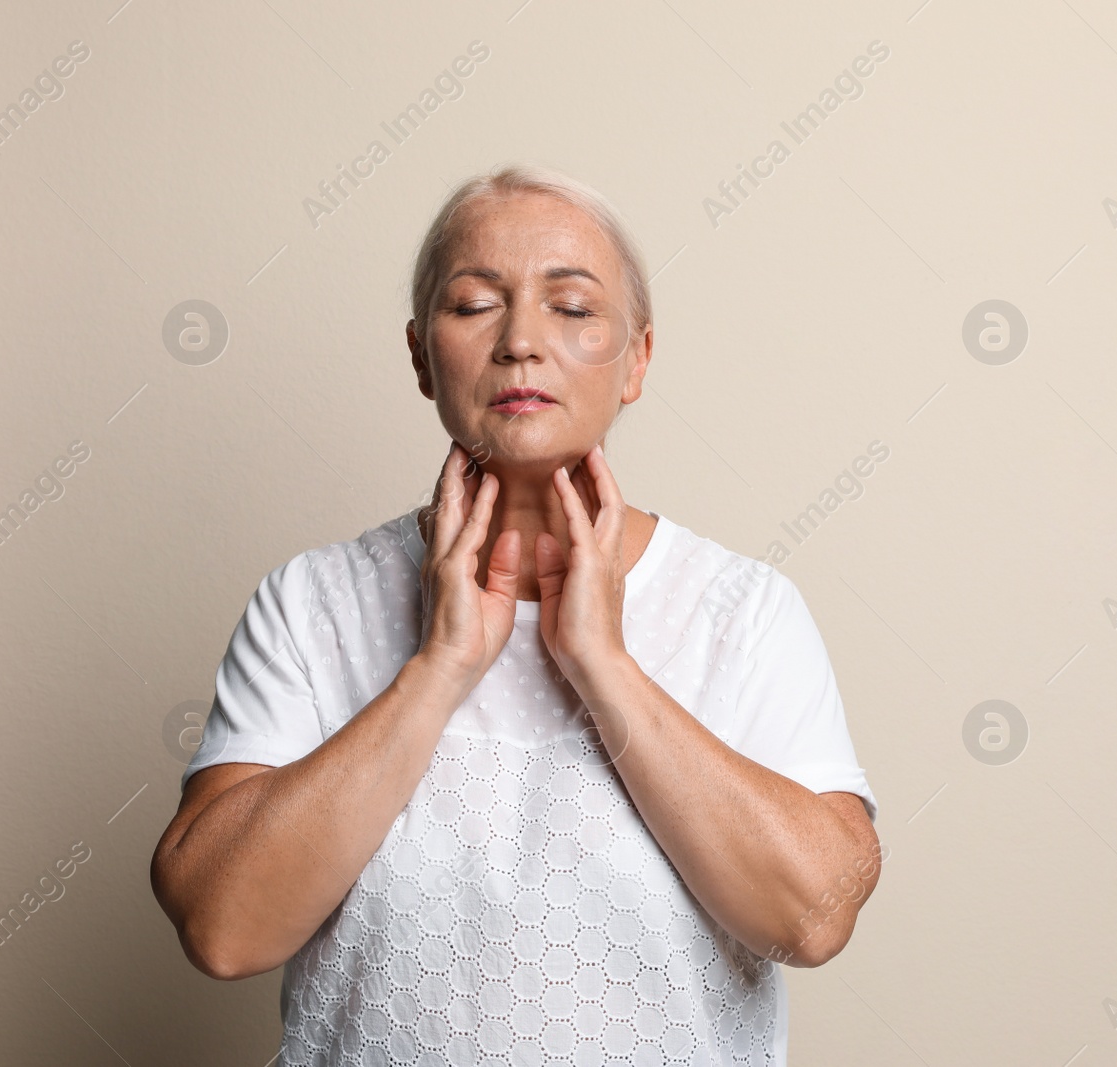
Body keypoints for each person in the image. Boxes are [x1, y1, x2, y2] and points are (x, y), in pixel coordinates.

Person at [150, 164, 882, 1067]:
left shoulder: (745, 611)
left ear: (637, 360)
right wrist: (440, 666)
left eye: (572, 308)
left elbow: (815, 916)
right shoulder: (311, 605)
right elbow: (222, 929)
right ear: (422, 355)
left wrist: (604, 664)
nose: (522, 342)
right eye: (474, 305)